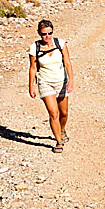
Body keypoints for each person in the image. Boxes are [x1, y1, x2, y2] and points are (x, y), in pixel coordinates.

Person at [28, 20, 74, 153]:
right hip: (45, 82)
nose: (47, 36)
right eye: (44, 34)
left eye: (49, 33)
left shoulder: (61, 44)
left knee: (63, 112)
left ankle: (62, 129)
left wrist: (71, 81)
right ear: (39, 33)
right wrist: (31, 86)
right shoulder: (34, 48)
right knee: (54, 113)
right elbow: (32, 68)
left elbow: (67, 62)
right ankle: (59, 141)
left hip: (61, 82)